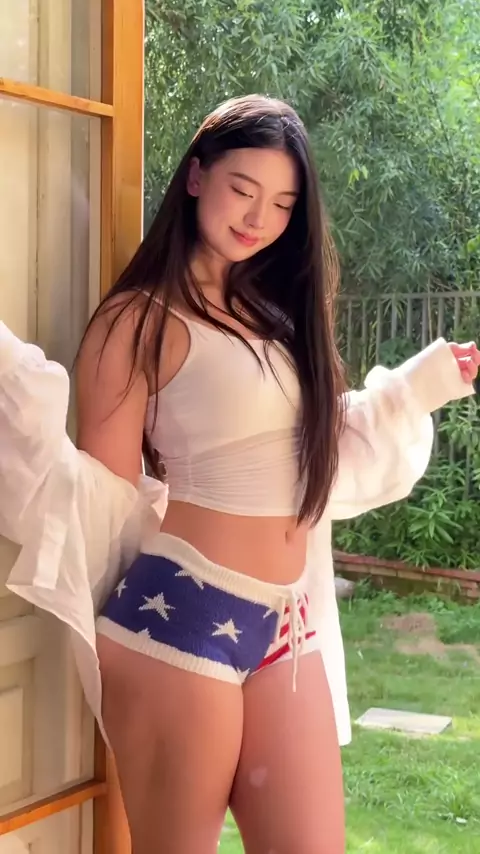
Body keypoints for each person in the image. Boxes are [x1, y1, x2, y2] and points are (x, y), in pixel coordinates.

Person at [0, 94, 477, 854]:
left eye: (282, 204)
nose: (259, 218)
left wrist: (418, 387)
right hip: (179, 617)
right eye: (243, 190)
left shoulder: (275, 317)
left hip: (289, 624)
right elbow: (104, 499)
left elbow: (311, 456)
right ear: (196, 178)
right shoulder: (137, 322)